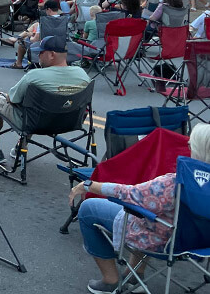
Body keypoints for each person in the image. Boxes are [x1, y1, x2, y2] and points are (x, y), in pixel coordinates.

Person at [73, 122, 210, 293]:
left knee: (88, 209)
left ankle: (110, 281)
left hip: (165, 242)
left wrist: (89, 185)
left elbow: (129, 194)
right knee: (154, 213)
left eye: (190, 144)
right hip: (201, 244)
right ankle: (134, 274)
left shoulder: (174, 183)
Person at [0, 35, 89, 163]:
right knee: (34, 107)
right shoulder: (82, 74)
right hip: (70, 122)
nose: (38, 56)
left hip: (36, 123)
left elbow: (12, 99)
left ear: (51, 55)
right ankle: (20, 147)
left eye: (41, 52)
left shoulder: (34, 76)